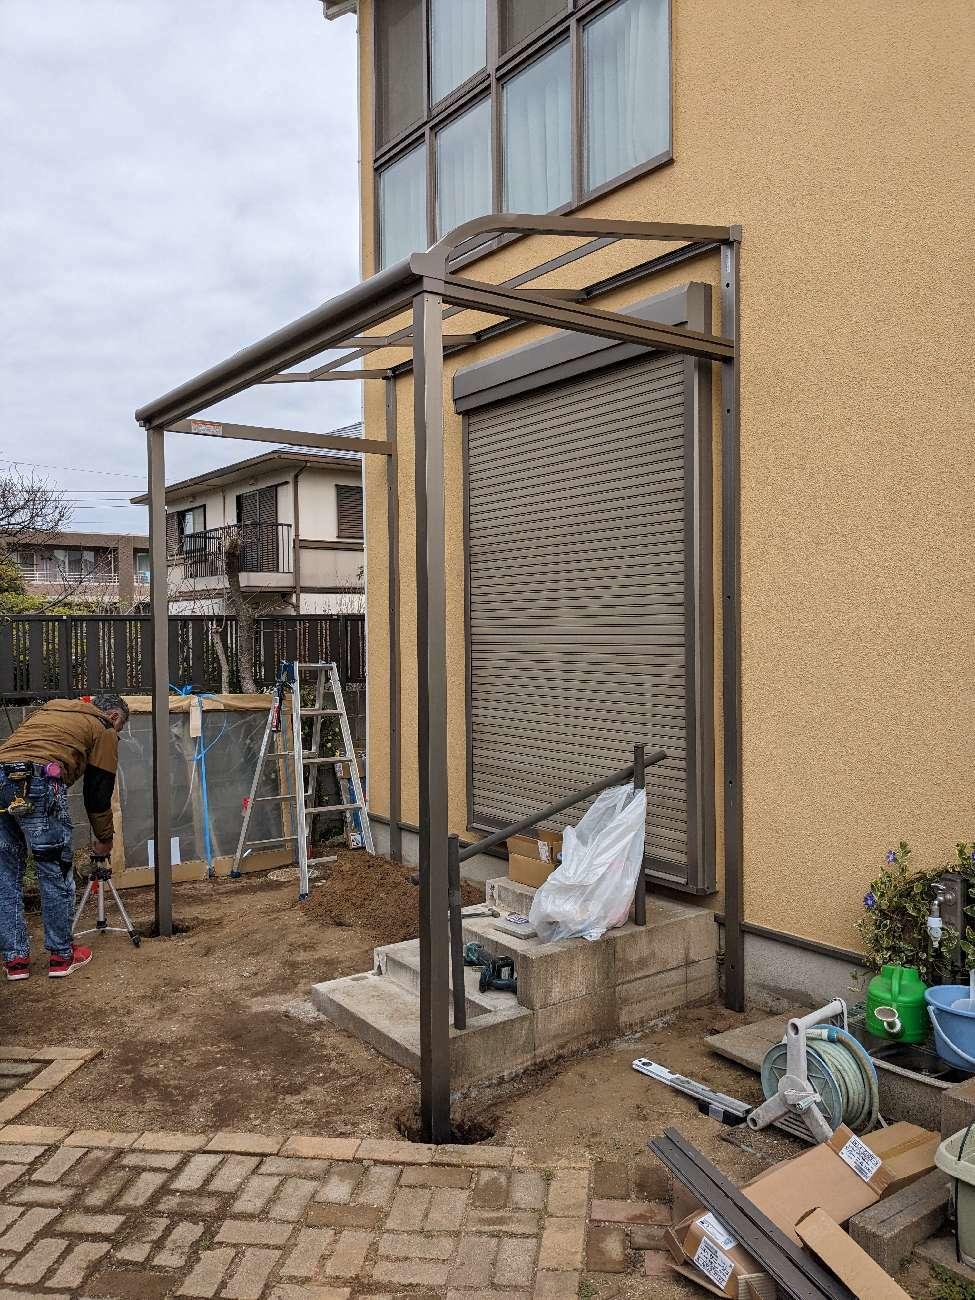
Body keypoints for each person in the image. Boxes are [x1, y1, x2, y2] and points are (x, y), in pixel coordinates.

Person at [0, 693, 128, 981]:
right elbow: (97, 791)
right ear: (114, 716)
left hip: (1, 776)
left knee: (5, 875)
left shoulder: (51, 709)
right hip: (39, 779)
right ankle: (61, 955)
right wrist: (104, 838)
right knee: (54, 869)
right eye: (119, 728)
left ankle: (15, 960)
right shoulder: (104, 726)